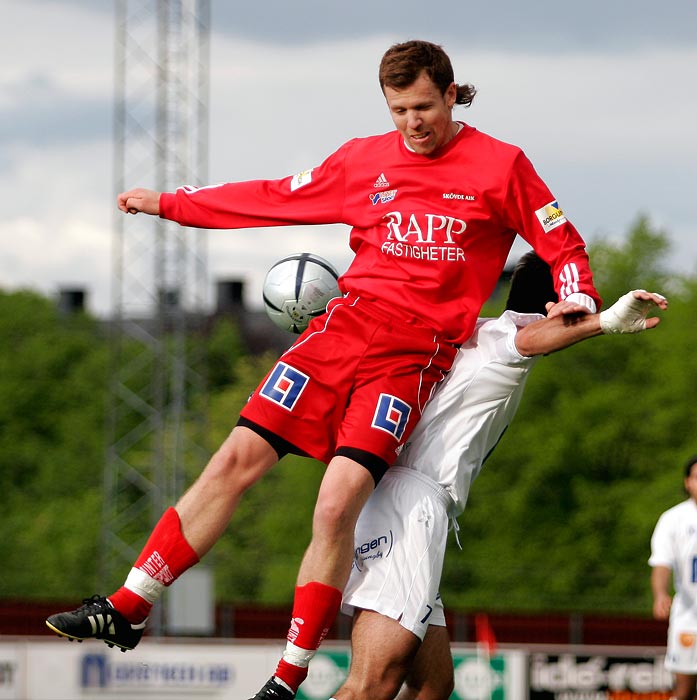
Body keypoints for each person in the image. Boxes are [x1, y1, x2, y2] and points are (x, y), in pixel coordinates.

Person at [45, 40, 601, 700]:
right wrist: (170, 203)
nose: (412, 123)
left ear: (451, 95)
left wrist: (582, 297)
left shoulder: (499, 165)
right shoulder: (364, 159)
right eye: (398, 110)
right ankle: (127, 606)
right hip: (340, 332)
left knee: (337, 502)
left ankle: (288, 677)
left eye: (423, 107)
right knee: (233, 460)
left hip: (410, 355)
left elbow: (559, 239)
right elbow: (272, 196)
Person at [325, 254, 667, 700]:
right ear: (556, 305)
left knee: (433, 684)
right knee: (373, 684)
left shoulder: (476, 332)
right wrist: (606, 320)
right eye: (579, 300)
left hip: (395, 503)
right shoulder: (508, 338)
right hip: (409, 508)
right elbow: (532, 339)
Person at [649, 455, 697, 700]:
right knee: (685, 691)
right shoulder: (673, 519)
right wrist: (660, 594)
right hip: (689, 618)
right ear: (687, 482)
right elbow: (661, 564)